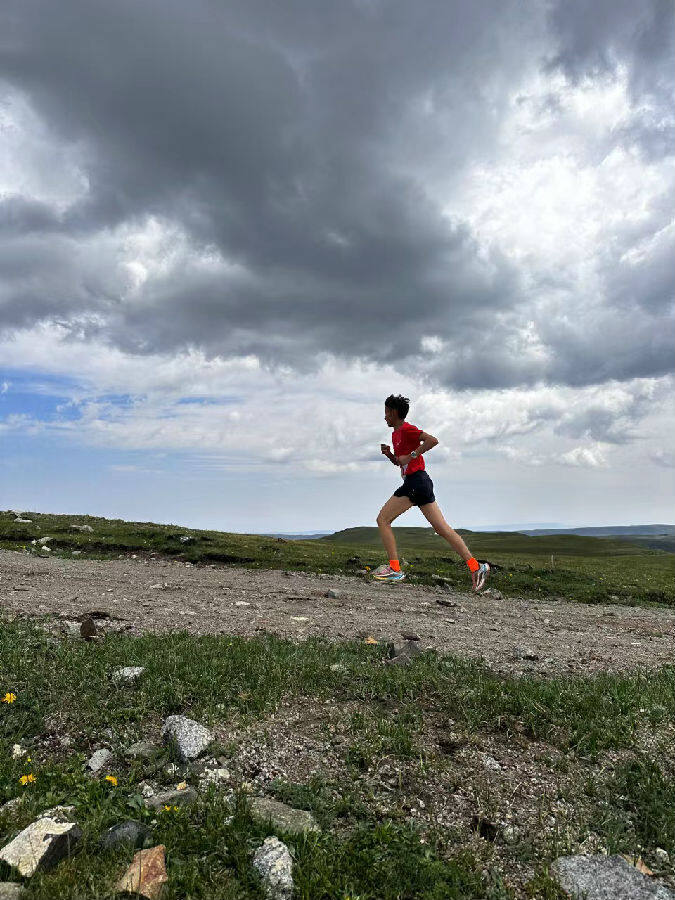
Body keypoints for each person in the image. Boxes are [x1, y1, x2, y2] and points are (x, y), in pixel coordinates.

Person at [373, 393, 490, 591]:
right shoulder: (395, 434)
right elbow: (401, 463)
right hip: (419, 482)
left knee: (383, 520)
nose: (384, 417)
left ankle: (395, 569)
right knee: (442, 529)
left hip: (416, 482)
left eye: (386, 413)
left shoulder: (408, 429)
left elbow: (432, 440)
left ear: (393, 413)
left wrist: (411, 455)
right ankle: (476, 566)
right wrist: (390, 455)